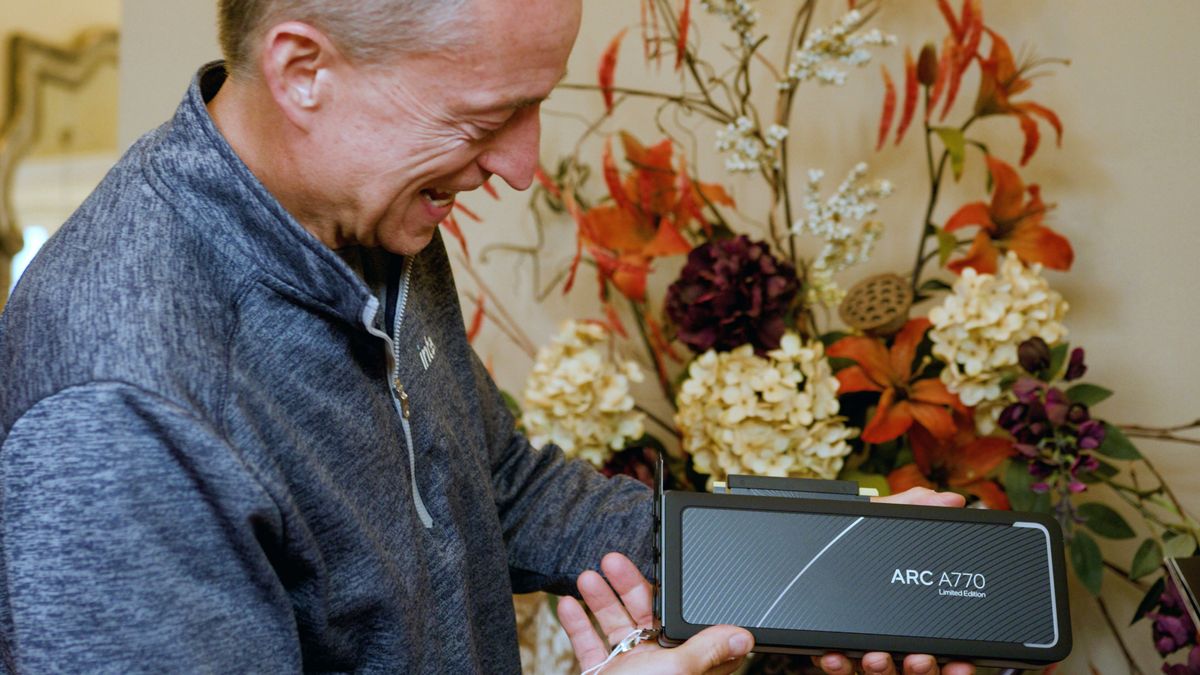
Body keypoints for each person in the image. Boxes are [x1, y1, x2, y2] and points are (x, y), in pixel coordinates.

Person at [0, 0, 972, 673]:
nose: (521, 164)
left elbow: (496, 489)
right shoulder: (121, 409)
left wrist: (831, 568)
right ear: (304, 72)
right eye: (488, 116)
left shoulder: (369, 212)